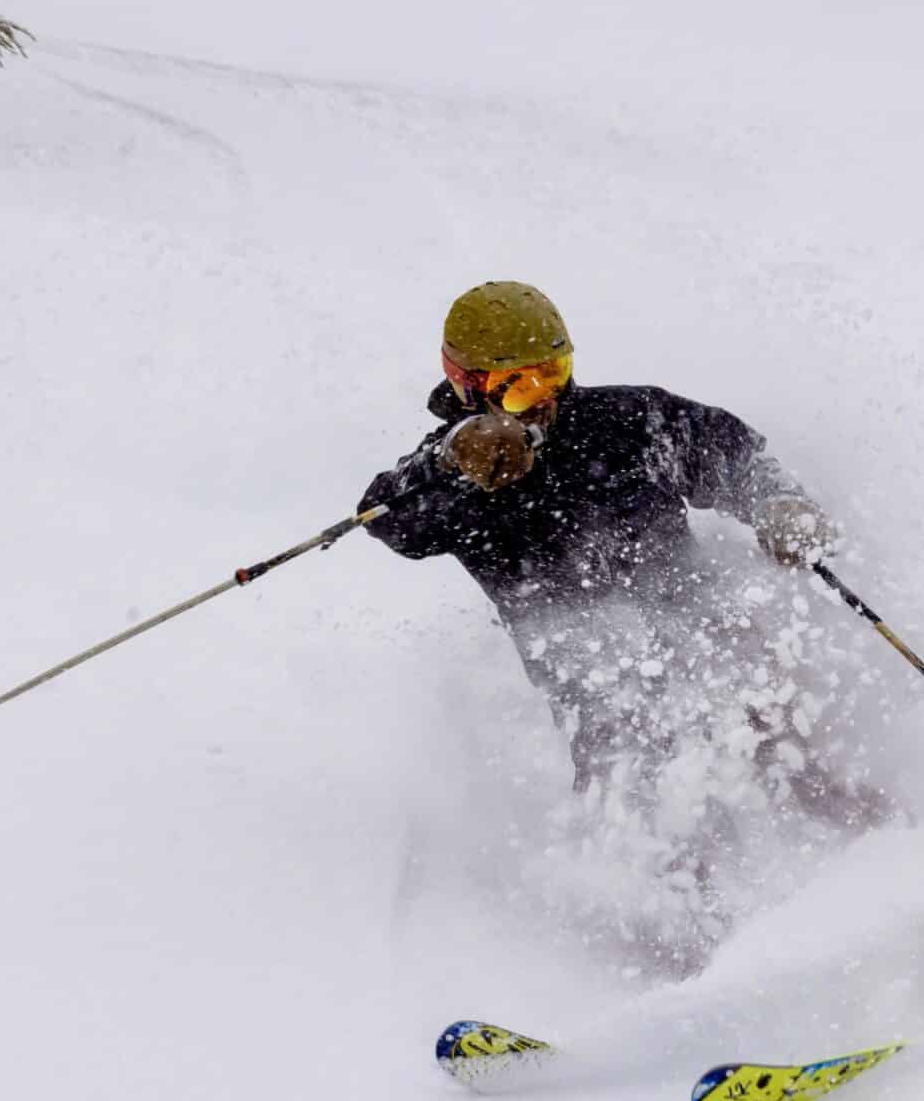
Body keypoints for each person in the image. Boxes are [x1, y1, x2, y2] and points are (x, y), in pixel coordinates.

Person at [361, 281, 889, 964]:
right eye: (517, 388)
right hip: (592, 681)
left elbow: (729, 453)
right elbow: (388, 517)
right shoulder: (456, 476)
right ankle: (697, 966)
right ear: (468, 385)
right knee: (643, 812)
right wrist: (452, 458)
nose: (542, 398)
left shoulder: (625, 421)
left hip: (702, 628)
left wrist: (778, 504)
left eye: (553, 373)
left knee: (788, 749)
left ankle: (902, 867)